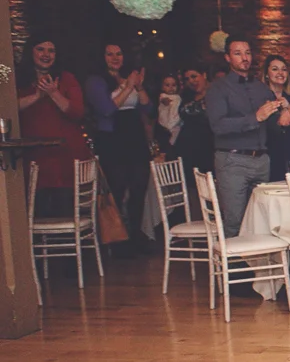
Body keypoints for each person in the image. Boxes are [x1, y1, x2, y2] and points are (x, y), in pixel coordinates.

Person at [206, 37, 290, 238]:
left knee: (262, 222)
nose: (244, 58)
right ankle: (235, 268)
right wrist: (255, 117)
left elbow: (269, 126)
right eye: (238, 53)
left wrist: (282, 121)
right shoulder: (218, 88)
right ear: (227, 57)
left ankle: (260, 268)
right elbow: (218, 126)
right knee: (235, 221)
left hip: (261, 161)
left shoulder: (260, 88)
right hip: (233, 160)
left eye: (247, 53)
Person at [84, 43, 154, 253]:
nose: (115, 58)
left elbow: (148, 108)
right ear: (102, 57)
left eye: (119, 53)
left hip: (135, 136)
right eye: (109, 54)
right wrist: (128, 87)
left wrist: (138, 86)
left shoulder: (130, 77)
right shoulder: (95, 80)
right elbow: (106, 109)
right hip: (113, 139)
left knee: (138, 188)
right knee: (117, 188)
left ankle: (135, 237)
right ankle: (117, 240)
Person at [16, 34, 92, 217]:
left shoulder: (66, 78)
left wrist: (53, 93)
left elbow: (77, 113)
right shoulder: (19, 79)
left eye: (51, 50)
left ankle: (69, 246)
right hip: (33, 159)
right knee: (37, 213)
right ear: (31, 52)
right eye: (40, 49)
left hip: (65, 157)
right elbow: (10, 108)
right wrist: (36, 97)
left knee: (65, 210)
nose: (46, 54)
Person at [262, 55, 290, 182]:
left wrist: (289, 109)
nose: (280, 73)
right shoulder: (260, 96)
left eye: (284, 69)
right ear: (266, 74)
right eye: (275, 69)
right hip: (270, 151)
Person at [176, 64, 215, 188]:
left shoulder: (215, 93)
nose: (191, 81)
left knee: (206, 187)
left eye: (194, 76)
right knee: (188, 187)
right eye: (187, 79)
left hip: (207, 146)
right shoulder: (187, 95)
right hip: (186, 147)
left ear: (204, 75)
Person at [154, 74, 183, 155]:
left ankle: (172, 144)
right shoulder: (163, 96)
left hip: (175, 120)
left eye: (174, 85)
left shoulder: (178, 97)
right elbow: (164, 101)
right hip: (167, 119)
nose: (171, 87)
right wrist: (166, 101)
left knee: (177, 130)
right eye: (167, 85)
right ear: (162, 87)